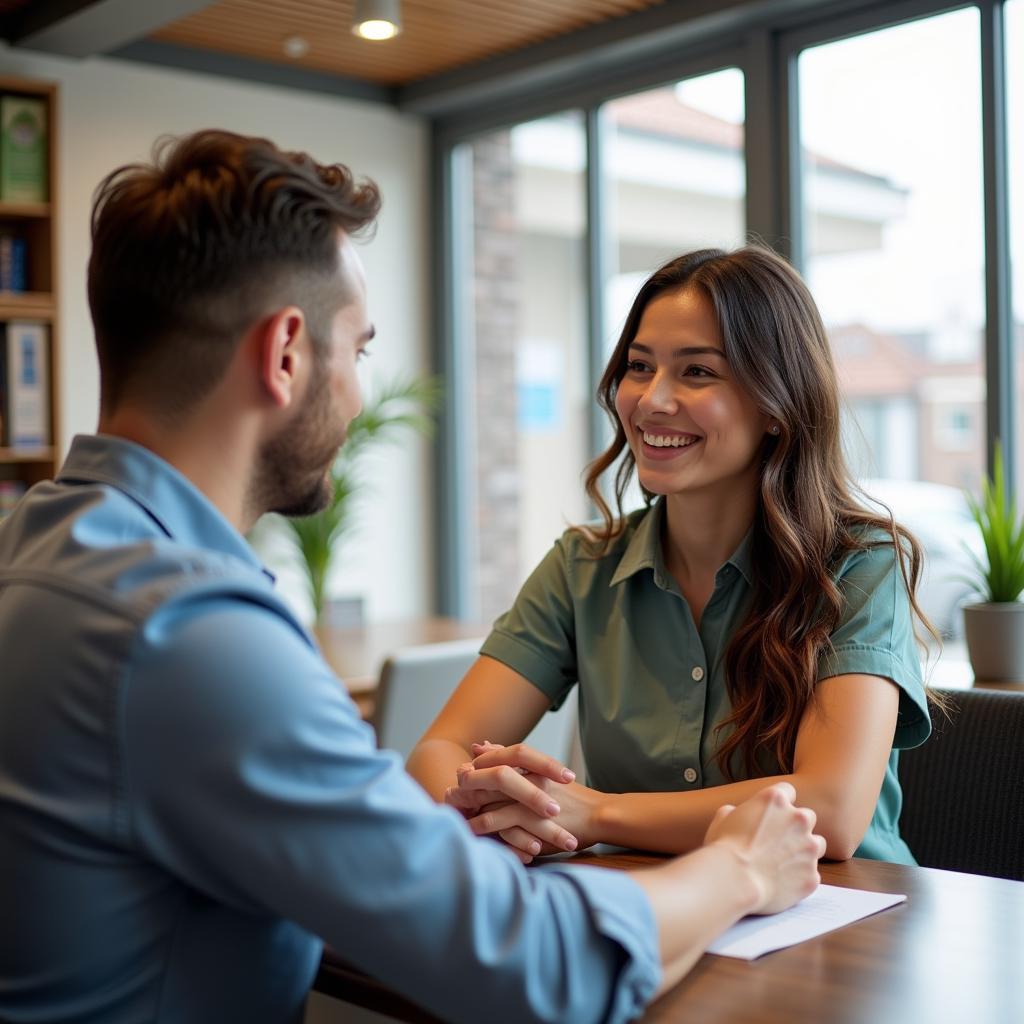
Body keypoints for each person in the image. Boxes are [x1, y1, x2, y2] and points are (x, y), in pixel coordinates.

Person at [0, 131, 826, 1024]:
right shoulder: (188, 633)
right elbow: (540, 973)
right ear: (285, 353)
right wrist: (737, 868)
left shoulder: (35, 547)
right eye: (358, 350)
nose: (359, 394)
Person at [407, 245, 935, 867]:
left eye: (697, 372)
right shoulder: (583, 567)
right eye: (639, 366)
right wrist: (498, 805)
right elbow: (438, 748)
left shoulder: (858, 566)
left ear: (775, 403)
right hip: (654, 912)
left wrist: (595, 811)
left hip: (842, 919)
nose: (653, 399)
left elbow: (831, 810)